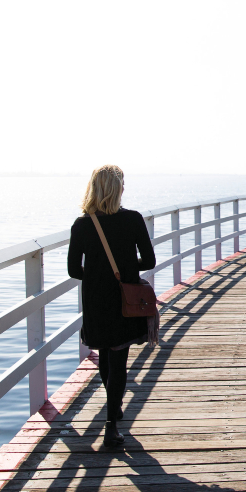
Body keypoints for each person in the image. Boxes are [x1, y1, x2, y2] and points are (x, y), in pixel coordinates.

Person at [67, 165, 156, 448]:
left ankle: (112, 408)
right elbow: (150, 261)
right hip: (123, 297)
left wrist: (96, 275)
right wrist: (128, 270)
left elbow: (73, 269)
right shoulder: (132, 219)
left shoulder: (82, 224)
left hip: (95, 299)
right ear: (118, 189)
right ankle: (111, 423)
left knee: (105, 352)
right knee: (118, 357)